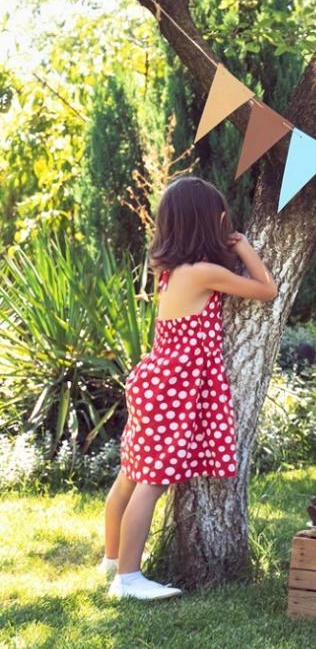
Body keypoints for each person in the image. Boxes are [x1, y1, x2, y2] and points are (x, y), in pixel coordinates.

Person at [99, 177, 277, 600]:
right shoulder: (206, 272)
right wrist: (244, 248)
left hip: (155, 382)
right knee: (153, 482)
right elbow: (266, 290)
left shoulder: (171, 272)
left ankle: (110, 559)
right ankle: (127, 578)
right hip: (172, 388)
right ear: (210, 222)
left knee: (130, 475)